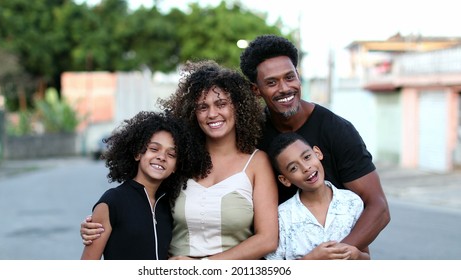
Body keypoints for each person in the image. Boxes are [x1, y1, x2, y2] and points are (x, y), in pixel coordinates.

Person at [81, 60, 279, 260]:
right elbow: (141, 203)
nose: (212, 114)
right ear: (193, 113)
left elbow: (268, 239)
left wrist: (203, 266)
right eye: (202, 107)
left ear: (238, 107)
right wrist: (102, 221)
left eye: (221, 104)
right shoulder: (181, 158)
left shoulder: (257, 162)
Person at [239, 34, 390, 252]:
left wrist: (336, 255)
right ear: (256, 90)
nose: (284, 88)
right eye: (271, 82)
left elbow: (378, 207)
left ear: (298, 77)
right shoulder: (252, 136)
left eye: (289, 77)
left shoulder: (337, 130)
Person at [80, 111, 210, 260]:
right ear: (137, 154)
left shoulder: (168, 206)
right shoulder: (113, 201)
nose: (161, 157)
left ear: (175, 166)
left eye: (171, 154)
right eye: (154, 149)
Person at [264, 132, 369, 260]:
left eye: (307, 157)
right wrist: (312, 259)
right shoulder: (282, 217)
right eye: (293, 168)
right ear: (285, 180)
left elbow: (366, 257)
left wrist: (356, 255)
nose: (306, 168)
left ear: (317, 153)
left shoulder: (352, 202)